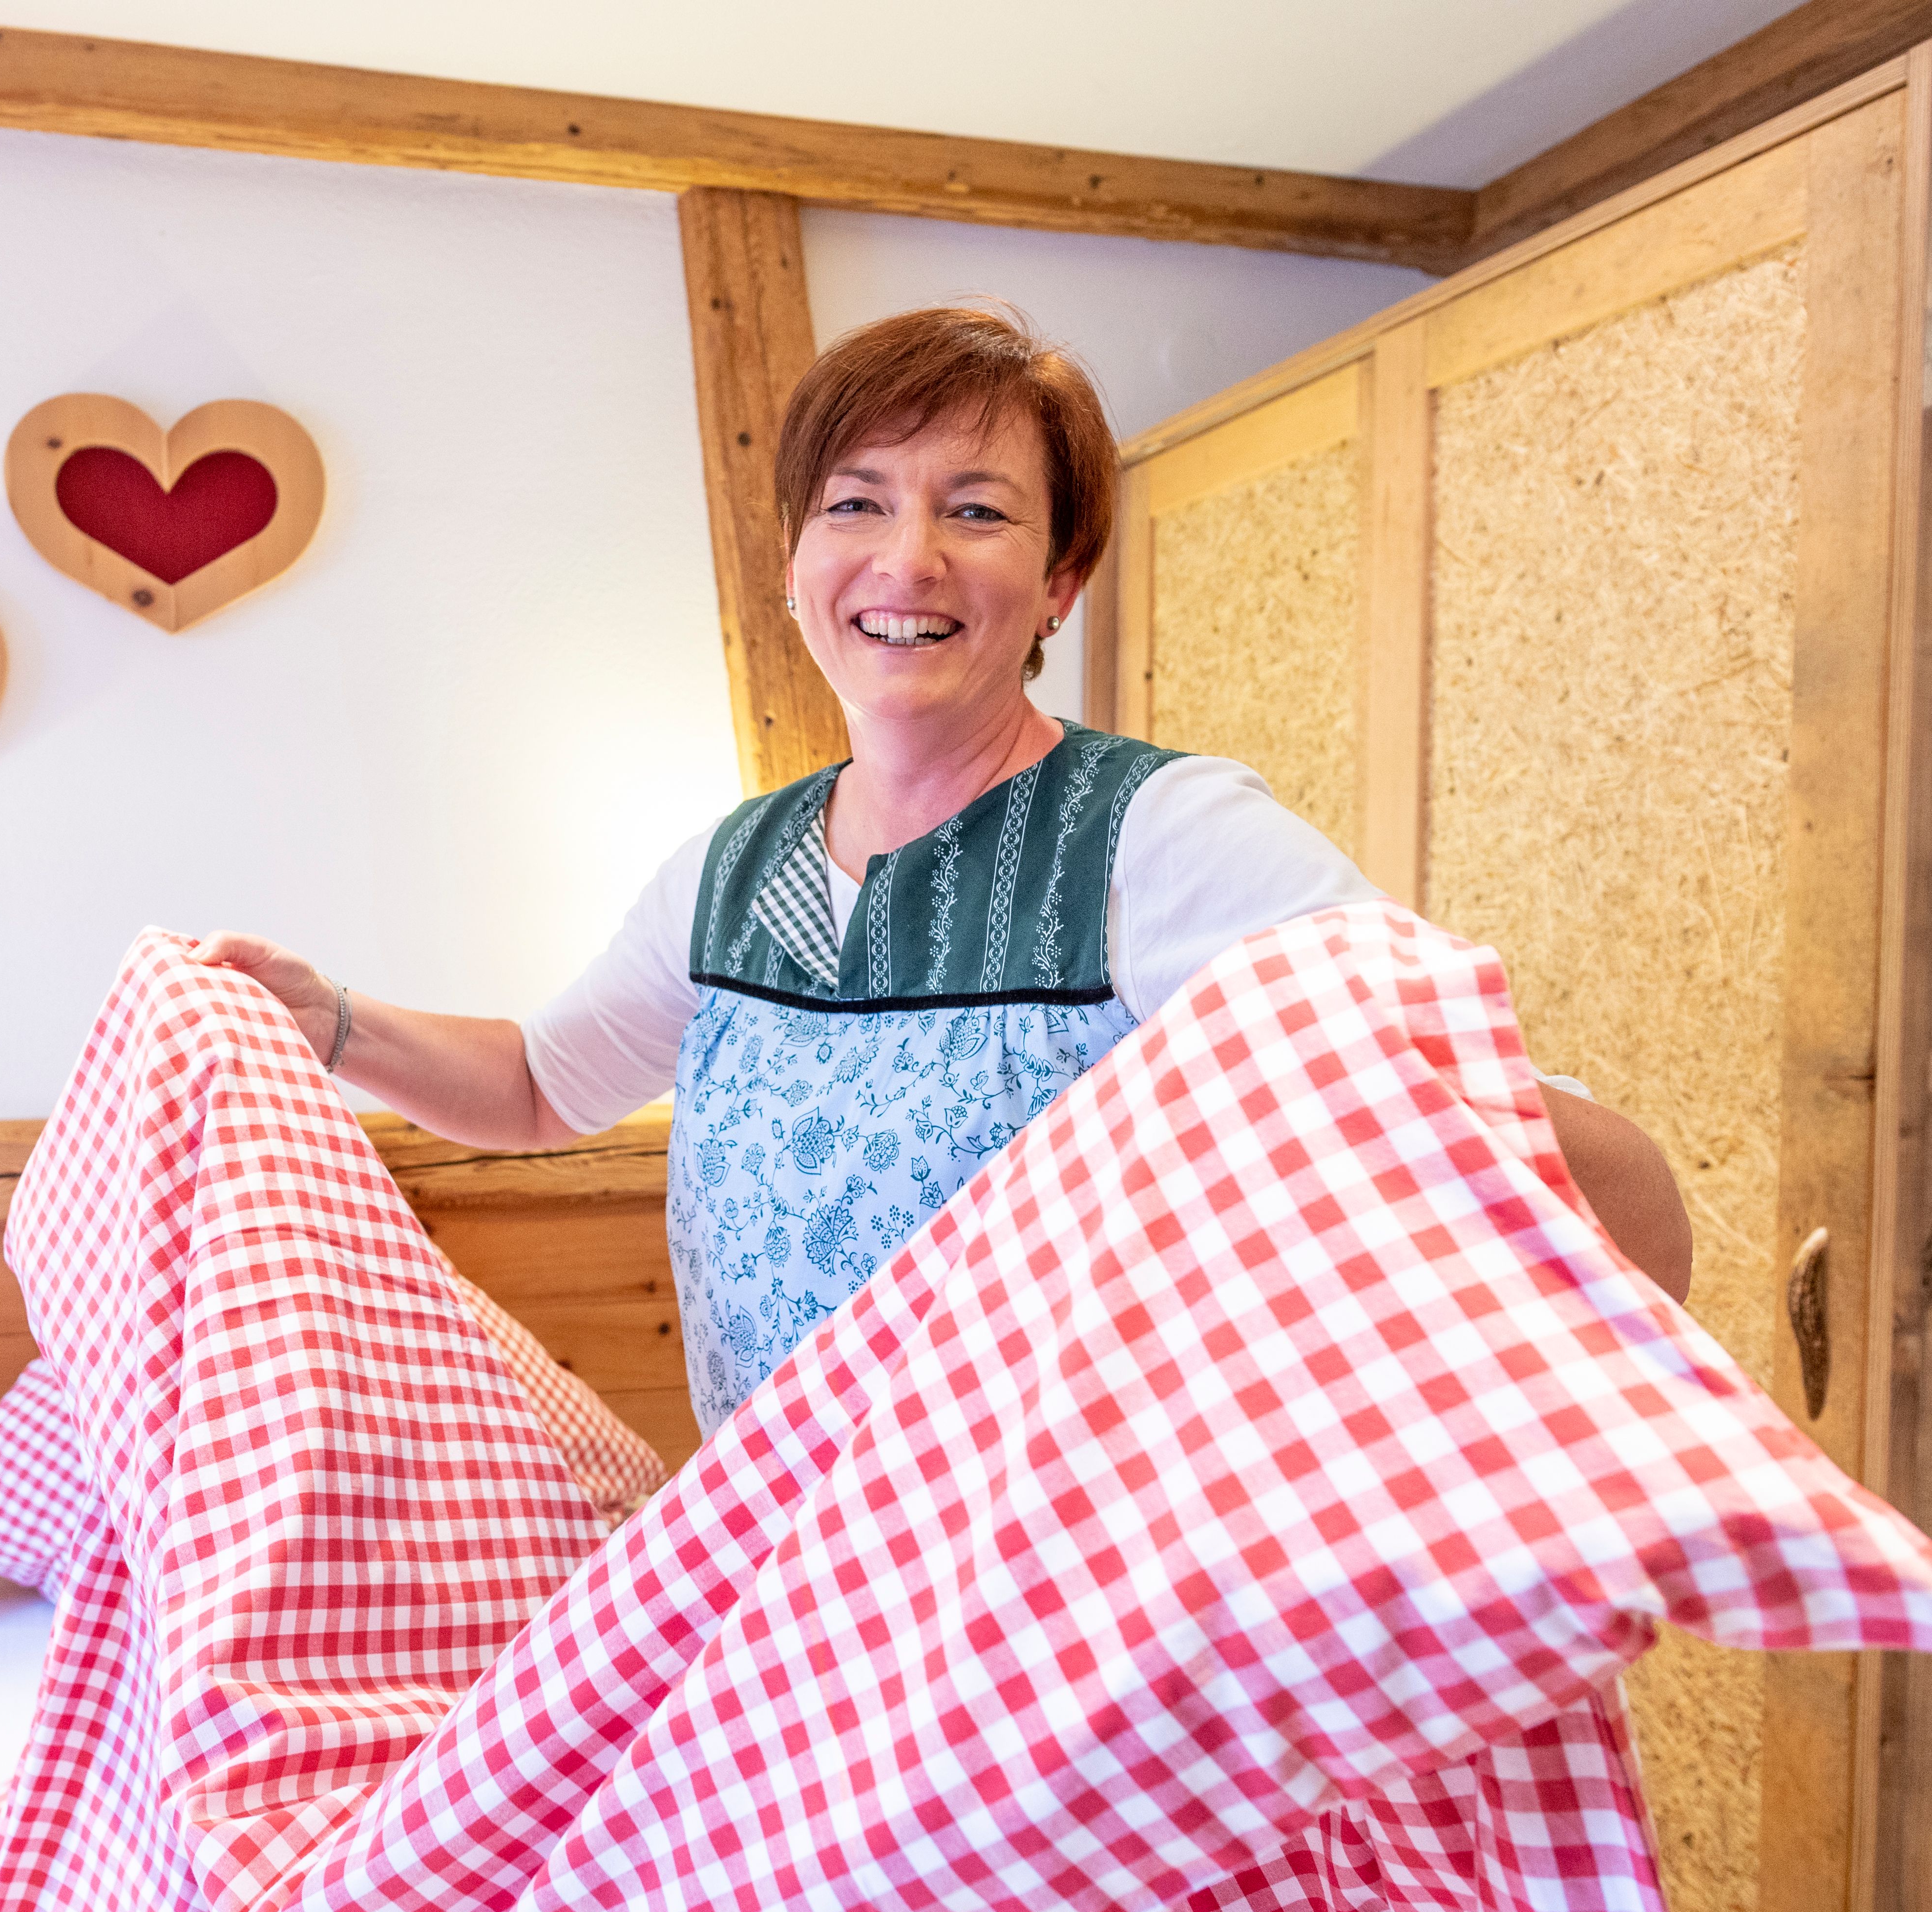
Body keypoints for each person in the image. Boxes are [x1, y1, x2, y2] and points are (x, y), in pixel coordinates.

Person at [194, 305, 1691, 1438]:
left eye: (976, 509)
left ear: (1060, 581)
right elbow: (537, 1086)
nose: (906, 557)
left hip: (1055, 1651)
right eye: (857, 501)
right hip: (783, 1602)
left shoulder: (1161, 839)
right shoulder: (733, 871)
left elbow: (1563, 1174)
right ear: (794, 564)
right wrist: (327, 1019)